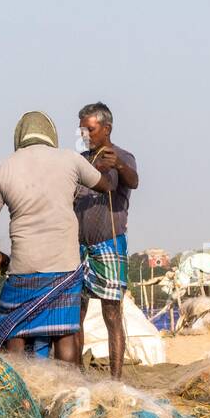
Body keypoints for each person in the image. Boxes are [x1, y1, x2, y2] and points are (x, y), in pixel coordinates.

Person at [0, 111, 110, 362]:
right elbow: (104, 185)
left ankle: (20, 388)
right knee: (65, 334)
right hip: (64, 266)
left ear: (19, 137)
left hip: (23, 267)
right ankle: (68, 391)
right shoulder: (70, 159)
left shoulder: (2, 168)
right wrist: (101, 168)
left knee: (14, 329)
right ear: (51, 135)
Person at [71, 102, 139, 379]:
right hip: (78, 247)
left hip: (109, 244)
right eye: (82, 129)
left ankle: (116, 380)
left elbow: (133, 181)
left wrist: (118, 165)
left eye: (90, 129)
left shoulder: (122, 156)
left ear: (106, 128)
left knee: (112, 314)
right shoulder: (80, 161)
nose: (85, 134)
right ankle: (75, 375)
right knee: (76, 313)